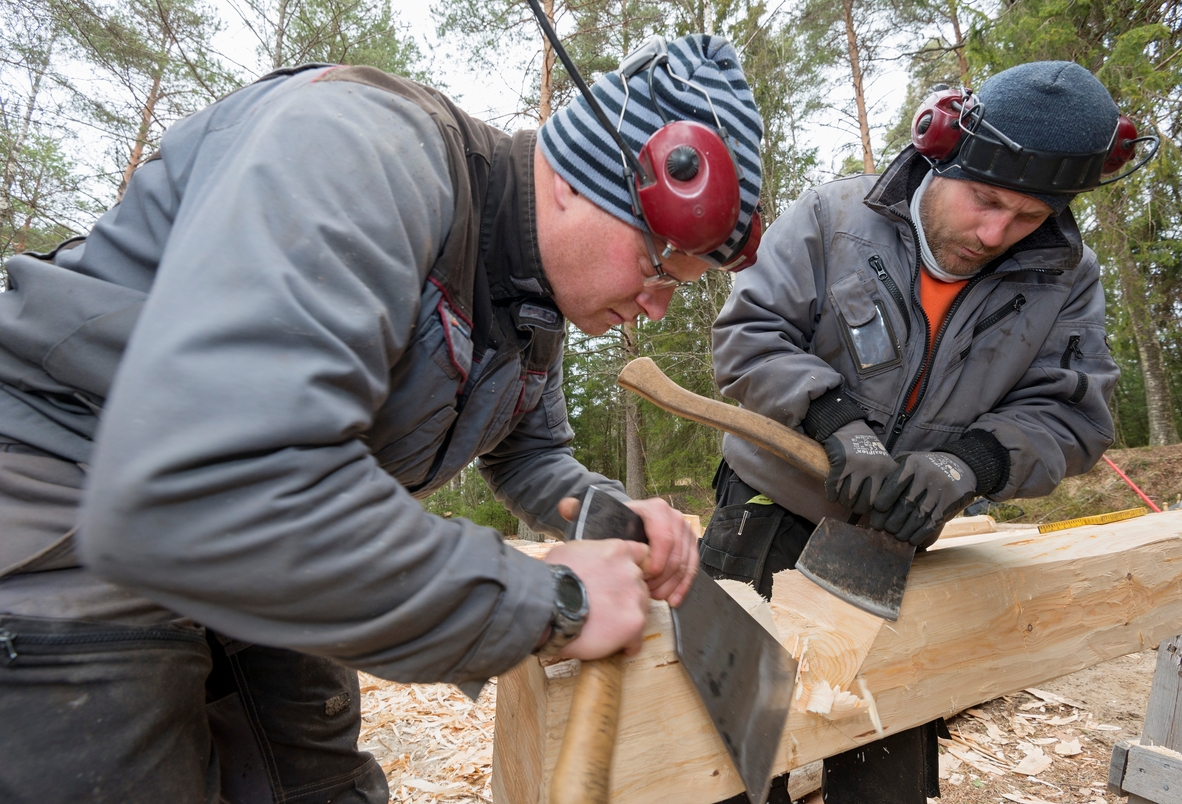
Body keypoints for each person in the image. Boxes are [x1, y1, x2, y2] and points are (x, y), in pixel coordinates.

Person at [0, 34, 764, 804]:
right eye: (660, 266)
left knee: (324, 786)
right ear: (580, 180)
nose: (653, 306)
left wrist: (612, 512)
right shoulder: (364, 152)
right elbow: (222, 483)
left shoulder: (537, 304)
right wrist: (552, 599)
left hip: (263, 538)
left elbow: (531, 457)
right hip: (72, 510)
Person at [702, 61, 1138, 803]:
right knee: (729, 754)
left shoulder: (1066, 278)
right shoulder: (831, 218)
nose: (995, 232)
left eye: (1028, 217)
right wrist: (832, 419)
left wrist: (972, 463)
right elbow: (748, 338)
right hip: (770, 503)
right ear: (942, 152)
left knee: (884, 757)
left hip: (899, 538)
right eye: (985, 200)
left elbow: (1072, 411)